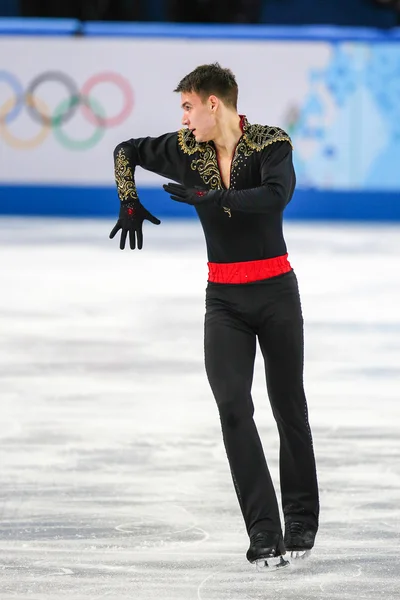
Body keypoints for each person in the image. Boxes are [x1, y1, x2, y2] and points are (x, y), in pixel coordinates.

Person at [109, 63, 319, 568]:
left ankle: (301, 519)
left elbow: (276, 195)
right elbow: (126, 151)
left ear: (213, 104)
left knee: (288, 407)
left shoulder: (271, 143)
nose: (182, 120)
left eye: (187, 107)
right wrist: (128, 198)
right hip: (223, 300)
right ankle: (264, 532)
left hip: (275, 293)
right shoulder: (185, 150)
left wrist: (212, 197)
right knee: (232, 409)